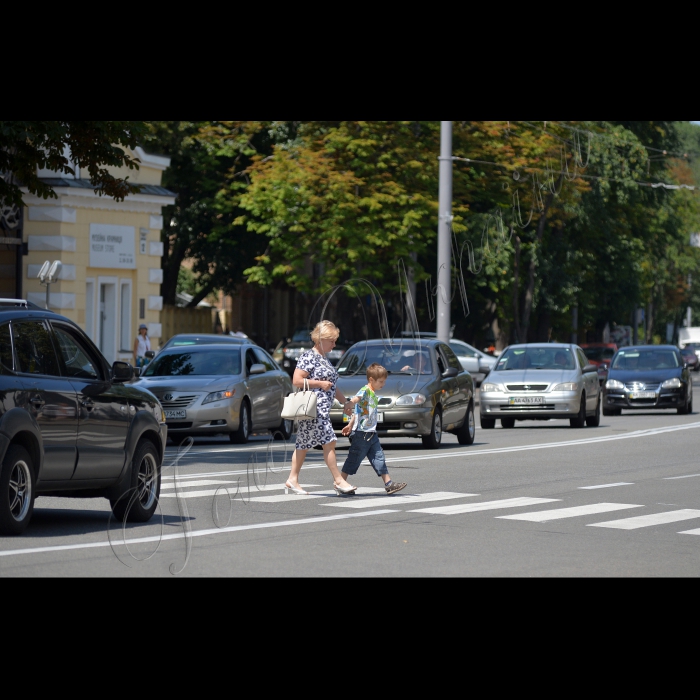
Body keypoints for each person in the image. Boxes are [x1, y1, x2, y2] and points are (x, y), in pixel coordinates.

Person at [284, 321, 358, 496]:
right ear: (320, 339)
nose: (334, 344)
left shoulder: (323, 358)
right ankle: (339, 480)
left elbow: (332, 386)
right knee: (330, 442)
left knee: (302, 445)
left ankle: (292, 480)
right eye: (331, 341)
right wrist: (319, 383)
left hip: (319, 409)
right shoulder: (309, 356)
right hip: (313, 409)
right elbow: (296, 380)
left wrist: (345, 402)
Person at [341, 364, 407, 495]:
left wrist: (350, 424)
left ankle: (389, 484)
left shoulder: (372, 393)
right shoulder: (365, 390)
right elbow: (356, 399)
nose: (383, 384)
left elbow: (358, 412)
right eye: (381, 381)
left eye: (384, 381)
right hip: (361, 433)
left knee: (379, 457)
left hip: (371, 433)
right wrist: (349, 403)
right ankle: (340, 482)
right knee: (354, 459)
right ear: (371, 380)